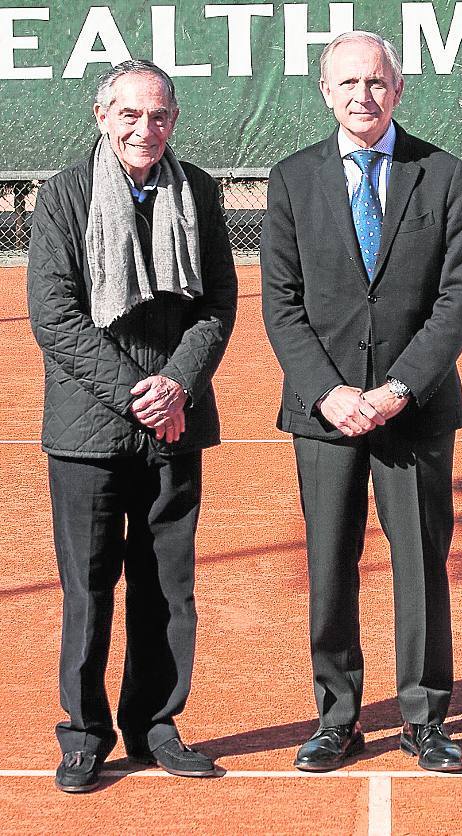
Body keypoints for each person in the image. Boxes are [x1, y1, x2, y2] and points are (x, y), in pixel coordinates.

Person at [261, 31, 462, 773]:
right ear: (326, 92)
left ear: (398, 88)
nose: (363, 95)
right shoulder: (291, 179)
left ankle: (425, 718)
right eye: (348, 83)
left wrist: (395, 390)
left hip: (413, 410)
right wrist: (329, 393)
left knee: (420, 564)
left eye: (376, 81)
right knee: (330, 564)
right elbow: (281, 303)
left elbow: (455, 300)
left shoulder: (442, 173)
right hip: (323, 415)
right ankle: (337, 717)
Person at [27, 60, 237, 792]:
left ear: (173, 120)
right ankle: (84, 734)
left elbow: (217, 303)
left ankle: (155, 726)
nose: (145, 128)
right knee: (89, 589)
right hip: (87, 432)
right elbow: (55, 316)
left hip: (174, 423)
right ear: (101, 116)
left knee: (167, 587)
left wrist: (177, 385)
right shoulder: (63, 195)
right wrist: (136, 394)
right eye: (129, 114)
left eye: (158, 115)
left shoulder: (198, 191)